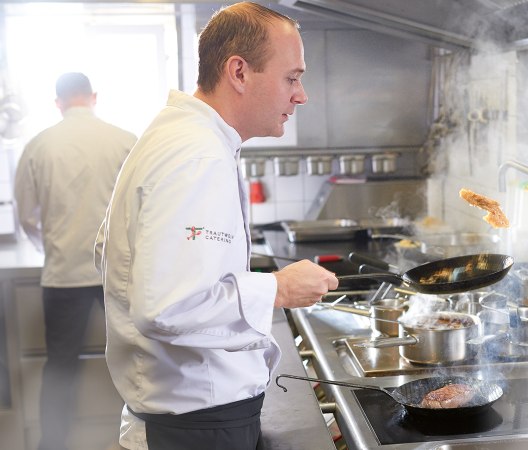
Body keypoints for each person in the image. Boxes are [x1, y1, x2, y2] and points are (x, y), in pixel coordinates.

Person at [94, 3, 339, 449]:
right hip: (195, 427)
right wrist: (277, 289)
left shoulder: (182, 137)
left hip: (188, 417)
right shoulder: (196, 155)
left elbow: (114, 256)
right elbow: (167, 307)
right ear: (239, 72)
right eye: (292, 77)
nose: (301, 95)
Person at [14, 72, 137, 450]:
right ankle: (141, 439)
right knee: (136, 359)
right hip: (116, 275)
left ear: (58, 102)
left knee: (60, 365)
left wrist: (53, 243)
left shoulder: (39, 144)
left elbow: (27, 216)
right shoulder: (125, 141)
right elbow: (141, 209)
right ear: (93, 97)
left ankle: (52, 443)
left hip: (63, 274)